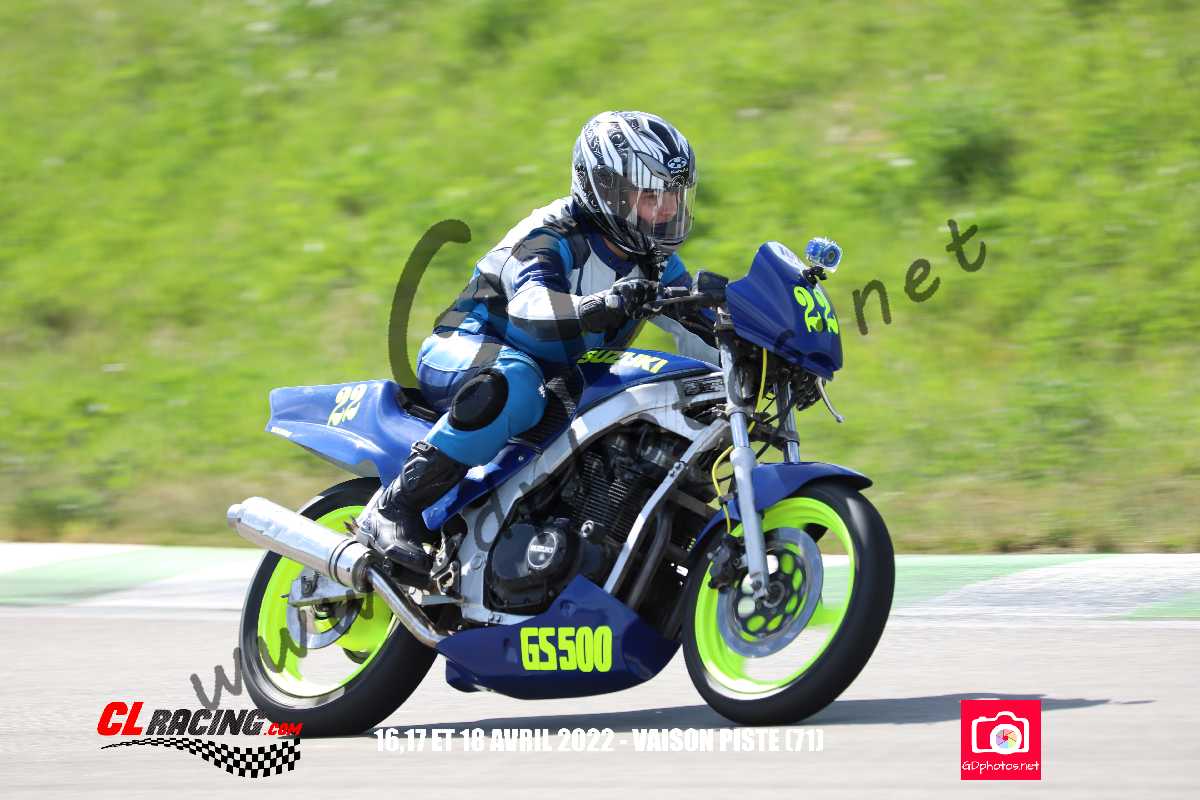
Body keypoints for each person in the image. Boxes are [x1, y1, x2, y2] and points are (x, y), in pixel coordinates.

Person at [356, 110, 718, 575]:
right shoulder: (549, 234)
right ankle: (394, 507)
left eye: (674, 195)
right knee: (516, 383)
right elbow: (532, 306)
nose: (667, 211)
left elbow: (701, 334)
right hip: (469, 350)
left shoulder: (656, 261)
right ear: (607, 190)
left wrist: (754, 347)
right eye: (652, 196)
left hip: (562, 381)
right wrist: (600, 304)